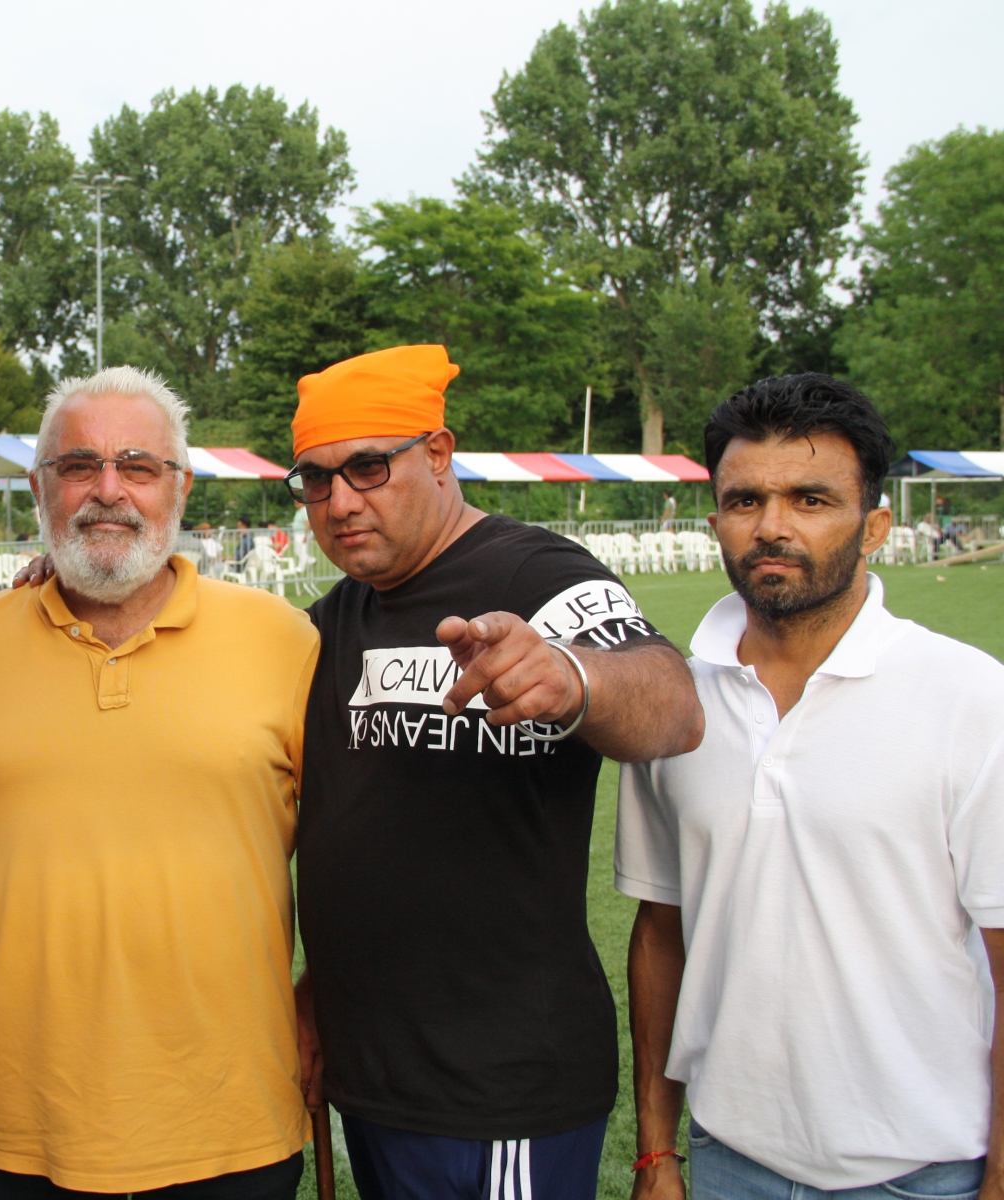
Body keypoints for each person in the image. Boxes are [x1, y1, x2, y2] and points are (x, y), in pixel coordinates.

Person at [617, 375, 1004, 1200]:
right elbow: (661, 931)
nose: (772, 527)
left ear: (875, 525)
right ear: (715, 523)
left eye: (811, 499)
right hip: (726, 1159)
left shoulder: (980, 706)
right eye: (745, 500)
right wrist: (655, 1150)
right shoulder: (674, 704)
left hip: (924, 1173)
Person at [287, 346, 703, 1200]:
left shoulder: (535, 573)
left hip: (499, 1088)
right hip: (372, 1079)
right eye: (316, 480)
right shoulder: (333, 619)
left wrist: (574, 678)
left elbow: (673, 704)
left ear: (439, 454)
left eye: (368, 467)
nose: (341, 501)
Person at [0, 366, 318, 1199]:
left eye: (137, 465)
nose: (107, 490)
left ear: (181, 487)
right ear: (38, 488)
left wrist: (326, 1002)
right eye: (77, 466)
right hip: (15, 1134)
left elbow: (358, 852)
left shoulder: (286, 641)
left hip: (233, 1131)